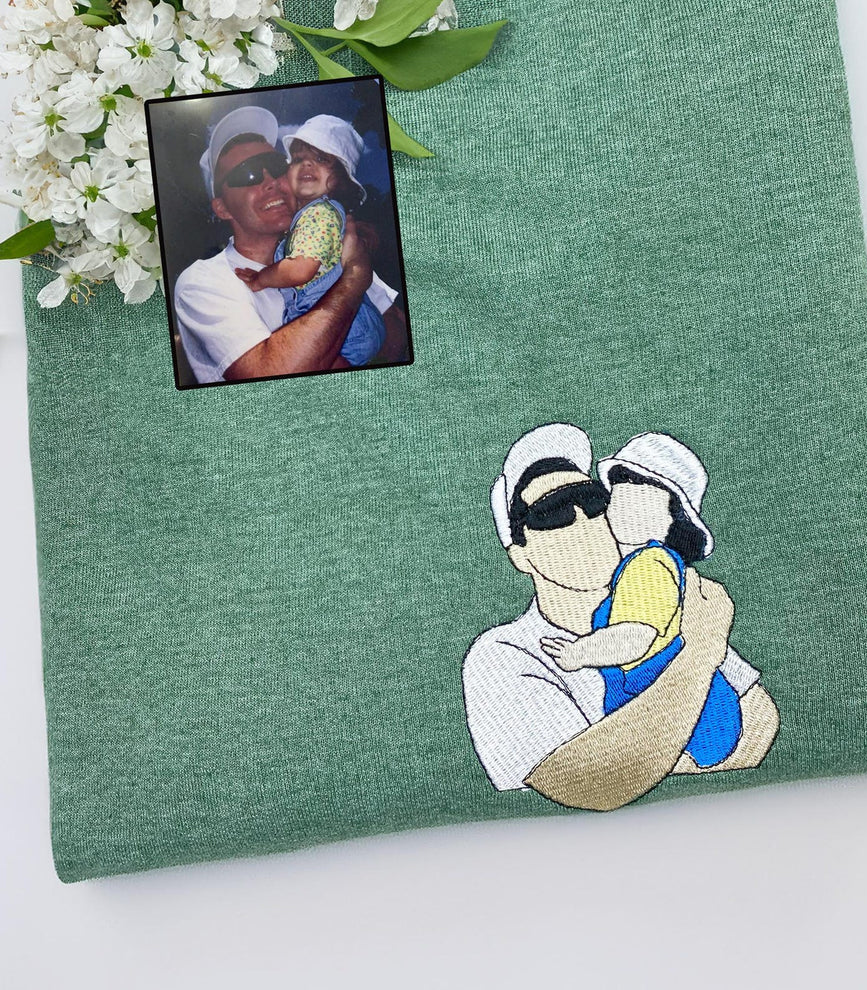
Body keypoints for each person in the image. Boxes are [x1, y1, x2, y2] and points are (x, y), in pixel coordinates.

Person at [462, 423, 780, 811]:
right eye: (551, 514)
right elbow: (587, 785)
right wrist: (699, 653)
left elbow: (760, 720)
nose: (582, 522)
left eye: (592, 501)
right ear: (520, 555)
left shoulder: (659, 597)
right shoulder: (503, 654)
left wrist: (645, 762)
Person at [539, 432, 751, 769]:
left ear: (673, 523)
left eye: (640, 503)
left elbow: (635, 637)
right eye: (619, 499)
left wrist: (579, 653)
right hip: (656, 699)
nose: (623, 510)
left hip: (680, 705)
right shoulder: (637, 567)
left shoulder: (649, 567)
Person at [173, 105, 407, 384]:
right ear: (222, 208)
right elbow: (271, 375)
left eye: (275, 166)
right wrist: (353, 281)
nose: (270, 181)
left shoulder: (327, 242)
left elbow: (396, 336)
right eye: (247, 174)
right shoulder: (203, 281)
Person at [233, 115, 386, 369]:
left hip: (348, 330)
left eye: (322, 159)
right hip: (352, 324)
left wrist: (261, 279)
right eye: (297, 159)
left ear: (341, 178)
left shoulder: (319, 214)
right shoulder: (312, 216)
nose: (306, 164)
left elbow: (301, 268)